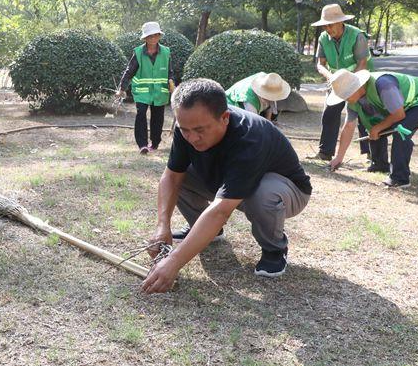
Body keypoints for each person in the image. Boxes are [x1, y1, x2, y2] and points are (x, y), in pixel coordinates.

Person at [140, 78, 312, 294]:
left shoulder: (251, 138)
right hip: (228, 178)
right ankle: (206, 231)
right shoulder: (187, 125)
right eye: (185, 130)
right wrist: (162, 225)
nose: (192, 138)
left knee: (262, 193)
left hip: (288, 190)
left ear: (225, 118)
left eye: (200, 130)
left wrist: (173, 262)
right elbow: (171, 177)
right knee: (181, 177)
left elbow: (221, 210)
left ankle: (274, 249)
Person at [327, 69, 418, 188]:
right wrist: (339, 158)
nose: (345, 99)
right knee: (374, 125)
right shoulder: (353, 100)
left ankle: (400, 179)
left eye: (345, 95)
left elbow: (399, 115)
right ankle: (380, 165)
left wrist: (377, 128)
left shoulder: (384, 85)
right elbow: (348, 126)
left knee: (400, 130)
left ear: (356, 88)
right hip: (402, 107)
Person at [311, 4, 374, 165]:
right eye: (325, 25)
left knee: (364, 113)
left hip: (360, 78)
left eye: (330, 24)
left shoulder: (357, 35)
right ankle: (325, 152)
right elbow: (320, 64)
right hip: (336, 80)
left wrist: (352, 84)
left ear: (340, 22)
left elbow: (362, 62)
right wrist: (331, 78)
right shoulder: (323, 38)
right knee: (329, 113)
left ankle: (370, 153)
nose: (327, 28)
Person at [116, 22, 177, 154]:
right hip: (142, 91)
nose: (153, 38)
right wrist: (122, 88)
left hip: (160, 91)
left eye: (156, 35)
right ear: (145, 38)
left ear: (159, 36)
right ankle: (142, 145)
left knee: (158, 117)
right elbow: (129, 71)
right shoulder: (138, 52)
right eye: (150, 36)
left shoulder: (166, 52)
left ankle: (155, 143)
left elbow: (170, 71)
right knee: (141, 114)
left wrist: (172, 84)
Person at [225, 72, 291, 121]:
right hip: (229, 106)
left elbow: (270, 106)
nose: (271, 99)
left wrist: (268, 123)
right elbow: (253, 123)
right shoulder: (249, 100)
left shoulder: (270, 82)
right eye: (269, 97)